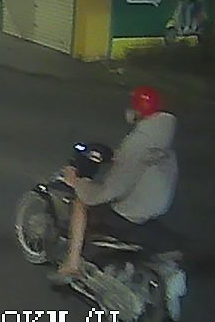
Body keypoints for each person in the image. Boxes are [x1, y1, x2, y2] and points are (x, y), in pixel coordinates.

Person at [51, 85, 178, 283]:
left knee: (81, 202)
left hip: (133, 208)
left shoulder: (138, 142)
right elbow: (141, 162)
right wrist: (116, 157)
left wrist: (77, 183)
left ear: (139, 110)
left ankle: (72, 264)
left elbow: (112, 189)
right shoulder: (161, 133)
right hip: (157, 204)